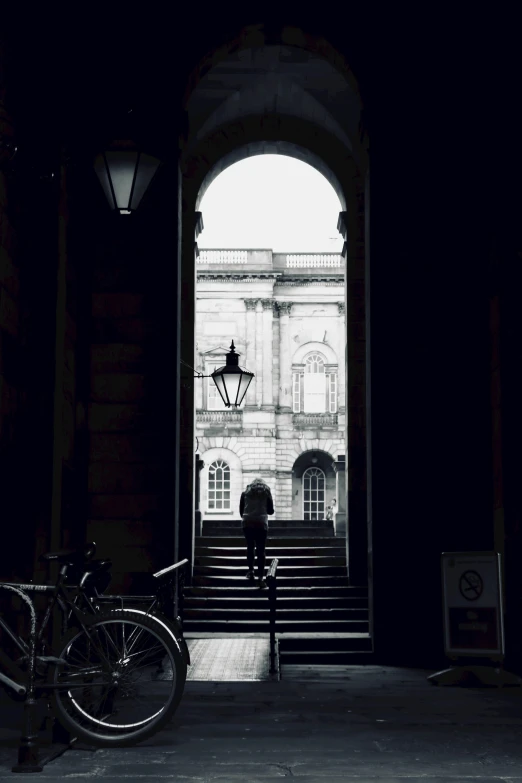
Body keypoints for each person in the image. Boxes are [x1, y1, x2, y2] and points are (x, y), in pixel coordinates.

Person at [239, 477, 274, 589]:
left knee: (250, 547)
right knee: (261, 550)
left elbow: (241, 511)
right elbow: (271, 511)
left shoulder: (245, 493)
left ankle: (251, 571)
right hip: (261, 522)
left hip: (247, 522)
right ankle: (260, 578)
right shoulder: (266, 492)